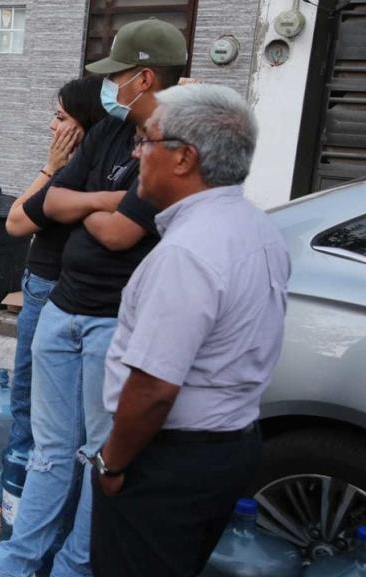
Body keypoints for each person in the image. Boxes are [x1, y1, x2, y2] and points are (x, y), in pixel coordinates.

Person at [0, 18, 187, 577]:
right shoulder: (107, 133)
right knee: (51, 456)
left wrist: (87, 206)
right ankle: (15, 565)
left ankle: (75, 568)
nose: (109, 86)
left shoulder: (175, 146)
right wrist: (108, 199)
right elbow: (46, 205)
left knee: (100, 458)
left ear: (144, 78)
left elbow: (122, 232)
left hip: (113, 323)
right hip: (61, 311)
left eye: (115, 75)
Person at [90, 84, 288, 577]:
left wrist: (112, 463)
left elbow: (155, 387)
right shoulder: (256, 227)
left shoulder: (188, 252)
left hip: (168, 461)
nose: (137, 154)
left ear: (184, 159)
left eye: (147, 142)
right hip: (229, 447)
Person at [0, 76, 104, 535]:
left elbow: (16, 220)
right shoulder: (101, 166)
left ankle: (11, 510)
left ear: (85, 126)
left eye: (61, 118)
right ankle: (29, 507)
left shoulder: (74, 171)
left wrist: (50, 165)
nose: (53, 127)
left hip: (54, 289)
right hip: (57, 288)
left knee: (33, 406)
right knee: (55, 413)